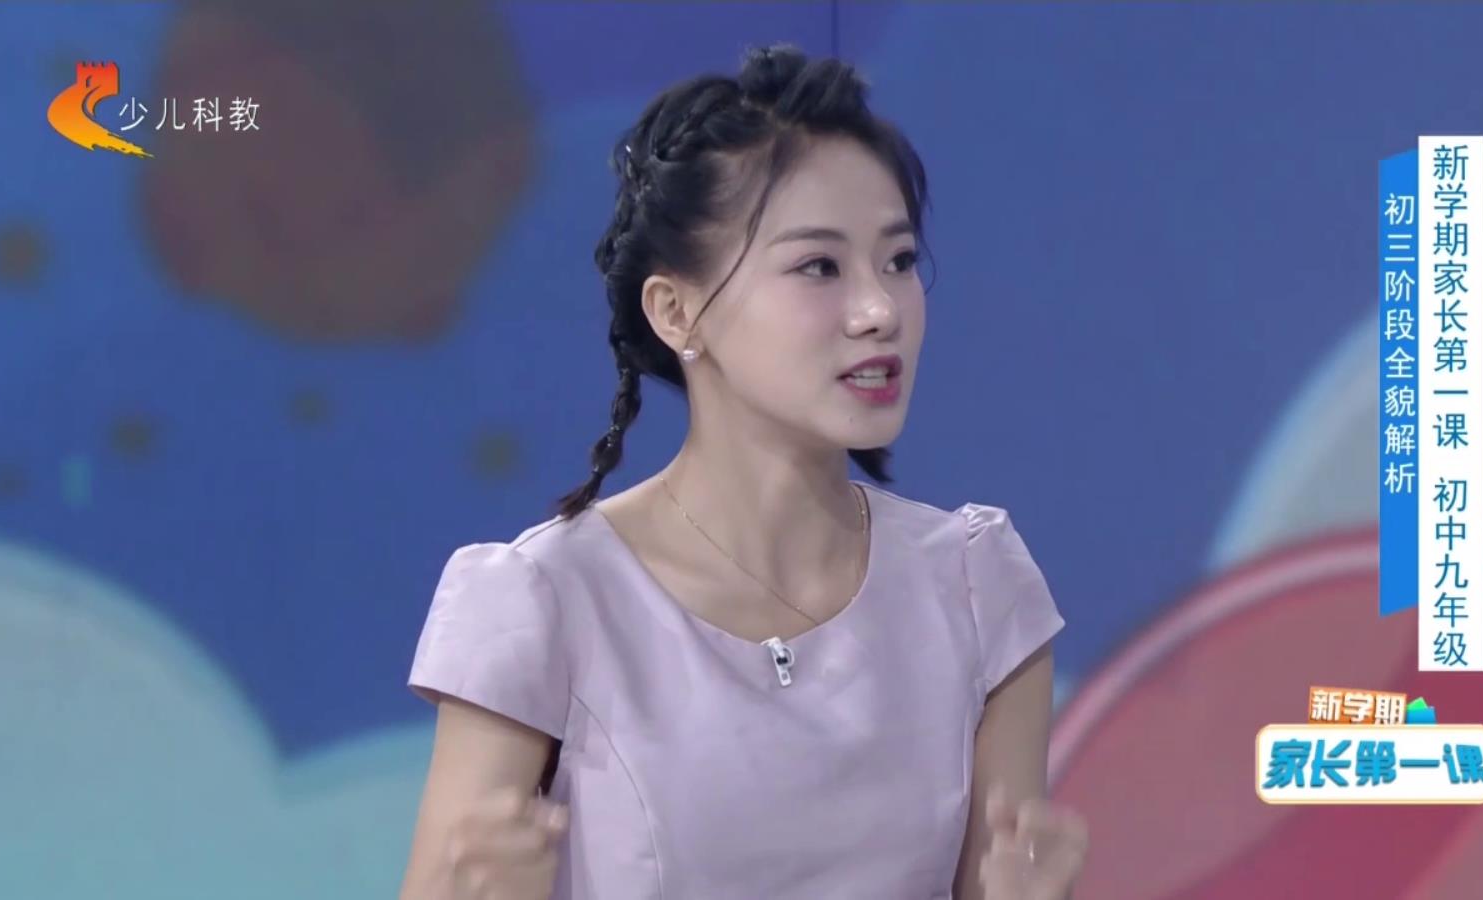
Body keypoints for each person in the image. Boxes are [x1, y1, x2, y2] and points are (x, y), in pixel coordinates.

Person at [398, 44, 1086, 900]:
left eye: (900, 261)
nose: (879, 310)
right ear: (676, 310)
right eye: (818, 267)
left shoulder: (976, 588)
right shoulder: (545, 604)